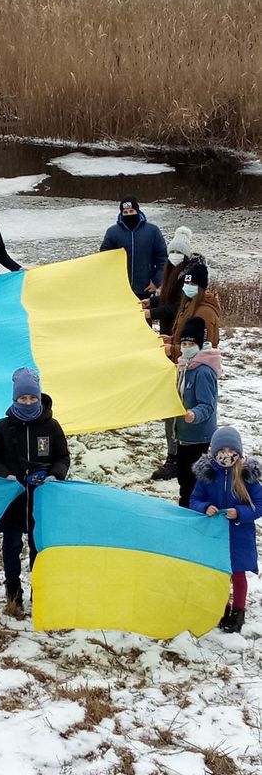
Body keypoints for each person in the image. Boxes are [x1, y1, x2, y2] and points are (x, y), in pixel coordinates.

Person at [0, 367, 70, 609]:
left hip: (41, 499)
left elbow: (62, 456)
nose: (28, 402)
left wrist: (55, 475)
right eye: (23, 398)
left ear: (39, 397)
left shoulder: (51, 426)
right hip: (13, 499)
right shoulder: (2, 427)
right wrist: (6, 475)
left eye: (32, 397)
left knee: (38, 547)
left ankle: (39, 592)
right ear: (15, 399)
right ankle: (13, 592)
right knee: (11, 547)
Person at [190, 427, 262, 633]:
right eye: (222, 450)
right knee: (219, 574)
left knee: (238, 575)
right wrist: (204, 507)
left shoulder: (247, 476)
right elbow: (194, 500)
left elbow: (259, 505)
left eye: (231, 450)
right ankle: (222, 607)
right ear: (214, 452)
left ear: (239, 451)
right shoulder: (207, 475)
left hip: (239, 535)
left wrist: (239, 512)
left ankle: (238, 611)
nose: (226, 454)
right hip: (215, 535)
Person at [143, 225, 197, 480]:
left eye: (178, 252)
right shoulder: (173, 273)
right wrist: (151, 302)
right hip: (171, 341)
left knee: (175, 402)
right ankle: (175, 454)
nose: (174, 255)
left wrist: (151, 313)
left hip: (181, 346)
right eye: (171, 251)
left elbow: (175, 308)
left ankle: (176, 457)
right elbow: (166, 299)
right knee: (171, 400)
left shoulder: (188, 279)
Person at [175, 317, 221, 508]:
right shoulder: (184, 365)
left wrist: (193, 414)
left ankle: (193, 510)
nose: (186, 347)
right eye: (183, 344)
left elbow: (207, 405)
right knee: (183, 476)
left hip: (198, 435)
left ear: (199, 345)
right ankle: (185, 506)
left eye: (191, 344)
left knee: (192, 480)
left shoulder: (203, 372)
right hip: (183, 433)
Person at [100, 195, 167, 299]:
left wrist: (157, 281)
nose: (129, 214)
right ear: (121, 213)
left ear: (137, 211)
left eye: (131, 211)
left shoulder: (153, 231)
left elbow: (162, 258)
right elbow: (104, 258)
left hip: (146, 288)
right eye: (125, 212)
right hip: (120, 289)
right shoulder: (112, 232)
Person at [167, 261, 220, 362]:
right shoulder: (189, 305)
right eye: (187, 283)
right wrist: (172, 340)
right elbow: (189, 336)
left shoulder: (205, 313)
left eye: (192, 284)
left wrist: (172, 350)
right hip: (184, 363)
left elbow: (202, 347)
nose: (188, 286)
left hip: (195, 365)